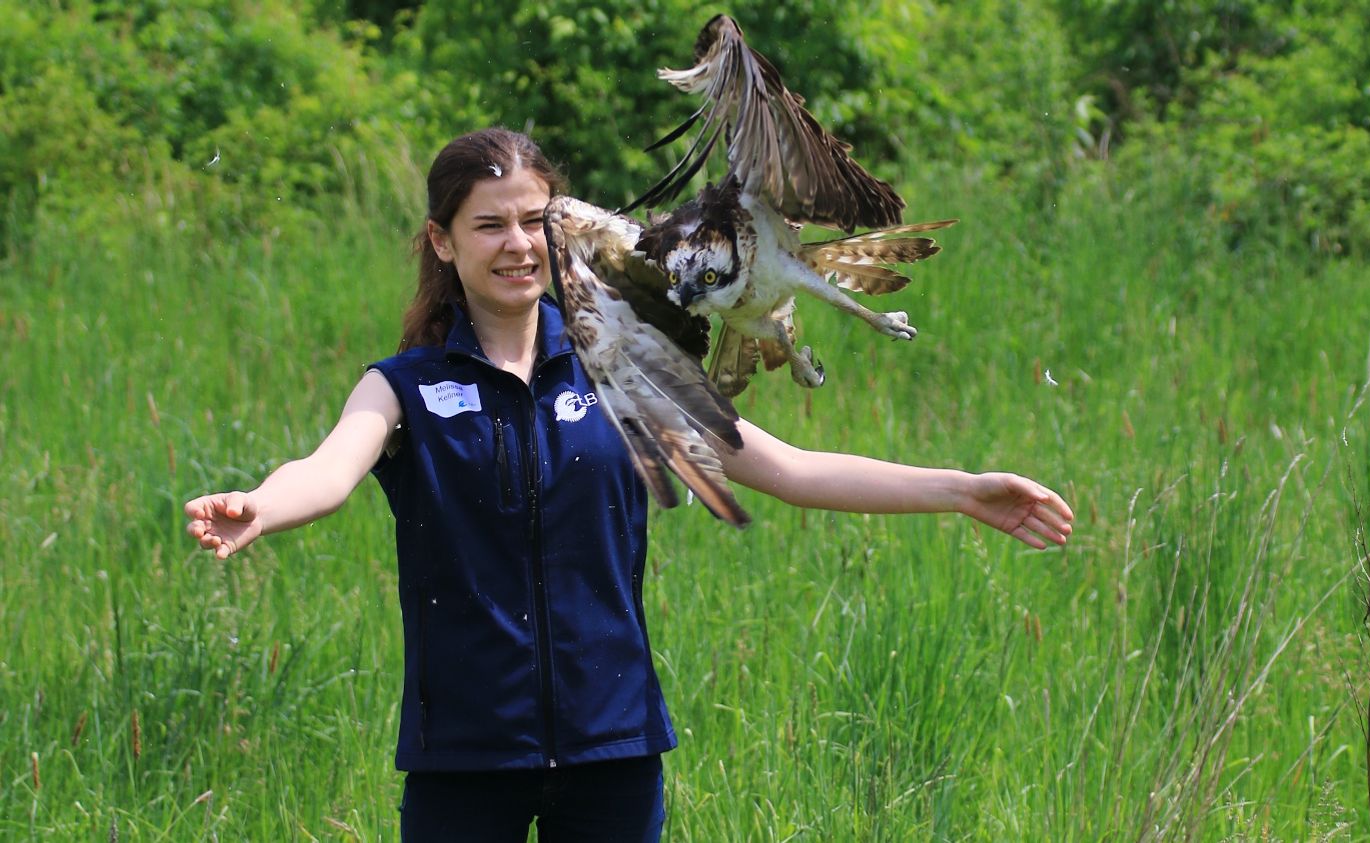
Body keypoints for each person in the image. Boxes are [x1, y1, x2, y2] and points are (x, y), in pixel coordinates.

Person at [184, 127, 1074, 842]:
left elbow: (790, 469)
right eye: (489, 224)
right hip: (462, 757)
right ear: (442, 241)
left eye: (534, 221)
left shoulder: (620, 370)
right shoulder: (406, 387)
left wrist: (962, 488)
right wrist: (263, 505)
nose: (518, 245)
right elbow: (328, 470)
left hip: (613, 750)